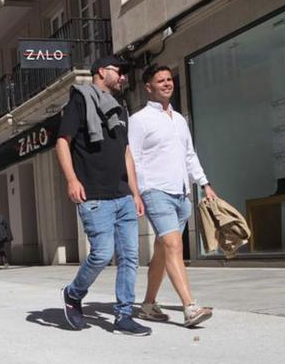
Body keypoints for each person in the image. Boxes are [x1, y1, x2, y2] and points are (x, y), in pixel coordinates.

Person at [55, 55, 151, 336]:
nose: (123, 77)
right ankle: (73, 293)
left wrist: (135, 192)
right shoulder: (80, 100)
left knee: (130, 257)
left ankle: (123, 316)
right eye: (119, 72)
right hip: (94, 195)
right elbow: (62, 142)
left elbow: (126, 153)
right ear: (101, 72)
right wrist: (72, 179)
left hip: (123, 195)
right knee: (101, 254)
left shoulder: (120, 110)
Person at [129, 64, 217, 328]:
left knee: (161, 251)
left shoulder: (179, 119)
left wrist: (205, 183)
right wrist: (138, 192)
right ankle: (190, 307)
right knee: (174, 246)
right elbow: (133, 159)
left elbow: (189, 155)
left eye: (169, 79)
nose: (167, 83)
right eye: (160, 80)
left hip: (181, 193)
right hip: (156, 192)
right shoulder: (139, 120)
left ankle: (147, 305)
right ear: (149, 88)